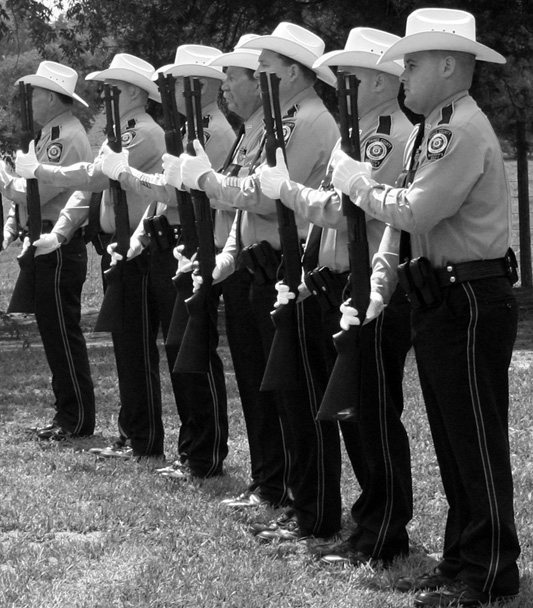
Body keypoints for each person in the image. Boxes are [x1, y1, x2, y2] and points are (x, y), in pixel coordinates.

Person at [331, 8, 519, 607]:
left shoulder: (457, 129)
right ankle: (462, 556)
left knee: (473, 436)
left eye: (411, 63)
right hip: (441, 295)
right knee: (450, 433)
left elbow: (414, 211)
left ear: (447, 64)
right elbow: (406, 231)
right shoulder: (435, 125)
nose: (402, 73)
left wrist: (357, 180)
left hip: (467, 297)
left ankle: (489, 568)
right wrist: (380, 291)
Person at [178, 23, 342, 539]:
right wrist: (226, 256)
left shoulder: (306, 120)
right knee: (265, 387)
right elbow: (252, 199)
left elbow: (267, 197)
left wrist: (207, 182)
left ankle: (307, 502)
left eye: (259, 68)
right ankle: (279, 485)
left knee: (294, 392)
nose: (228, 82)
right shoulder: (271, 123)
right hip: (259, 264)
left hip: (288, 270)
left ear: (291, 71)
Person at [258, 28, 414, 565]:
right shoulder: (358, 132)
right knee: (351, 412)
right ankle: (368, 524)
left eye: (351, 74)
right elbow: (330, 217)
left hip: (369, 290)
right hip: (334, 284)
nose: (340, 81)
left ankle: (382, 531)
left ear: (378, 80)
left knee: (371, 413)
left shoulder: (386, 137)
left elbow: (348, 209)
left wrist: (288, 191)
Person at [15, 53, 171, 461]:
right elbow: (89, 193)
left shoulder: (143, 133)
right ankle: (132, 432)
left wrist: (40, 175)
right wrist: (62, 230)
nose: (107, 98)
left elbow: (96, 176)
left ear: (136, 93)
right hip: (114, 248)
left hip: (135, 249)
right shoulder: (121, 132)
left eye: (115, 90)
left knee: (136, 348)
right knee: (126, 347)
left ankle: (143, 438)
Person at [99, 45, 235, 479]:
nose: (173, 89)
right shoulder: (193, 127)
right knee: (180, 347)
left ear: (205, 85)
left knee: (192, 347)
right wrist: (140, 234)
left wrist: (125, 174)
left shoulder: (213, 132)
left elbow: (179, 191)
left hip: (196, 242)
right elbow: (169, 193)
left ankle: (204, 452)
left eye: (181, 81)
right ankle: (192, 449)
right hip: (172, 240)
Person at [0, 61, 97, 441]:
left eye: (36, 93)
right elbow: (27, 201)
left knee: (62, 333)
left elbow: (34, 192)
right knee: (53, 333)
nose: (31, 99)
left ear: (50, 96)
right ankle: (66, 413)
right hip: (43, 240)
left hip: (57, 245)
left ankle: (75, 417)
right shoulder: (51, 135)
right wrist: (9, 230)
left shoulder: (66, 137)